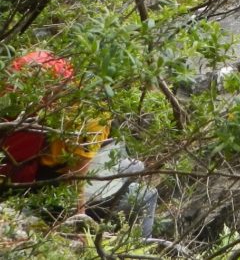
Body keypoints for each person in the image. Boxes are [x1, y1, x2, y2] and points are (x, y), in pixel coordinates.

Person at [0, 51, 158, 239]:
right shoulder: (93, 115)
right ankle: (142, 247)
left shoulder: (31, 83)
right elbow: (77, 177)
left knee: (135, 166)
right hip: (48, 183)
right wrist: (79, 216)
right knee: (147, 194)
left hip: (20, 169)